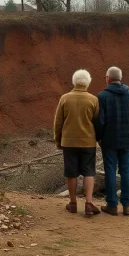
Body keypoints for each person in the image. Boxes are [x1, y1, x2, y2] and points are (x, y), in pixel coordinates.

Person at [96, 66, 129, 216]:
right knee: (126, 172)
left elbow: (99, 121)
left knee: (110, 171)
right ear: (120, 78)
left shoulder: (102, 96)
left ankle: (112, 205)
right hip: (127, 141)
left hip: (109, 141)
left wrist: (99, 137)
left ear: (108, 79)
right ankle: (127, 206)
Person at [53, 69, 101, 216]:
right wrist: (97, 139)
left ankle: (73, 203)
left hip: (69, 142)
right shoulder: (93, 99)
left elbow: (58, 122)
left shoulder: (65, 98)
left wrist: (58, 139)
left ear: (74, 82)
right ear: (88, 82)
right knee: (89, 172)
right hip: (88, 142)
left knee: (71, 173)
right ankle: (88, 203)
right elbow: (97, 122)